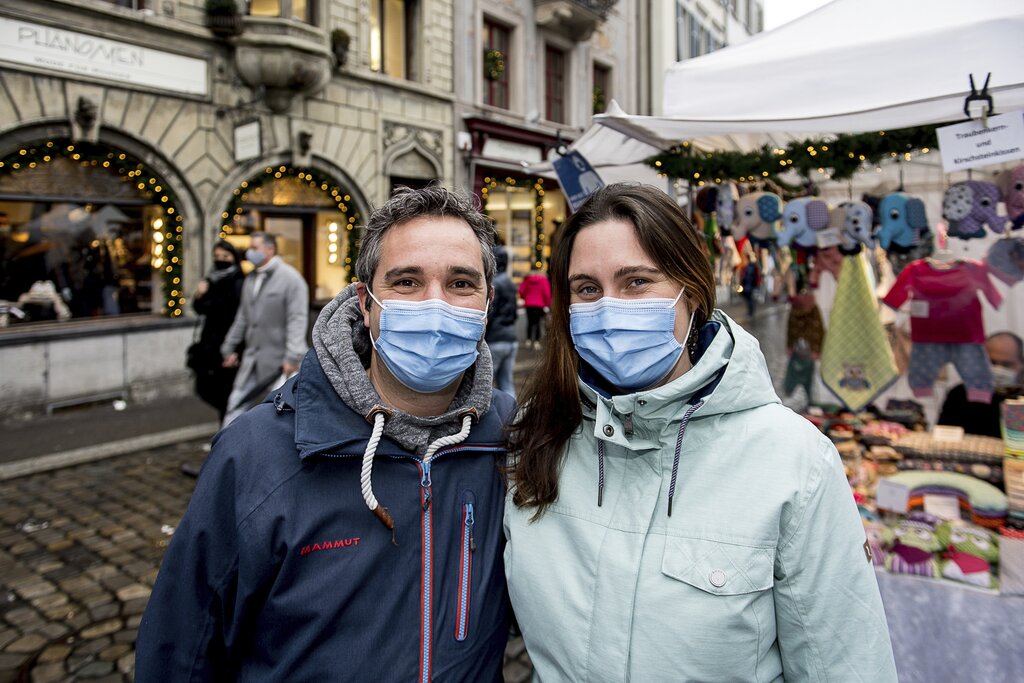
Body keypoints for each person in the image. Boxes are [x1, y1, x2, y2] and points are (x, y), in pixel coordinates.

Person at [504, 184, 897, 681]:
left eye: (636, 282)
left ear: (690, 291)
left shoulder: (794, 460)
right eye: (587, 289)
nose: (608, 308)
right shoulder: (537, 433)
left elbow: (844, 663)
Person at [136, 186, 515, 681]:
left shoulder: (512, 438)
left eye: (462, 283)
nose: (435, 304)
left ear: (487, 302)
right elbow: (183, 649)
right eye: (406, 281)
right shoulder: (258, 451)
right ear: (366, 300)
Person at [220, 231, 309, 426]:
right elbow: (242, 317)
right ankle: (224, 450)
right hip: (252, 357)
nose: (250, 252)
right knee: (235, 404)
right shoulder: (250, 278)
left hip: (279, 362)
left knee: (280, 414)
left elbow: (297, 319)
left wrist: (292, 356)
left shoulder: (291, 279)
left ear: (270, 250)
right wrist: (229, 347)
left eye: (254, 248)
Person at [188, 239, 245, 421]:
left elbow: (240, 317)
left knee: (225, 393)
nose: (220, 260)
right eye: (217, 256)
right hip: (210, 343)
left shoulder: (239, 282)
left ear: (234, 258)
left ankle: (229, 433)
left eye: (225, 256)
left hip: (228, 343)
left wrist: (235, 349)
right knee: (204, 388)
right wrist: (199, 294)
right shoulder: (211, 279)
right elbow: (200, 309)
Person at [937, 331, 1024, 437]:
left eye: (1007, 365)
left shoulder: (1020, 401)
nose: (998, 369)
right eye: (992, 363)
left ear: (1021, 364)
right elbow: (942, 440)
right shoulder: (959, 395)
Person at [486, 245, 518, 396]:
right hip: (511, 337)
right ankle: (512, 417)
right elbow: (514, 313)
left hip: (495, 339)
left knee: (485, 384)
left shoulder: (495, 285)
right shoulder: (510, 283)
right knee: (507, 383)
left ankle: (489, 419)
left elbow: (491, 313)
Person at [518, 263, 550, 349]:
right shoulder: (543, 279)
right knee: (538, 322)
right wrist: (547, 304)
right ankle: (536, 341)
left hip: (529, 304)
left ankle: (528, 340)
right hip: (539, 304)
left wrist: (525, 297)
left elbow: (521, 290)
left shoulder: (527, 279)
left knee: (530, 322)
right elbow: (546, 293)